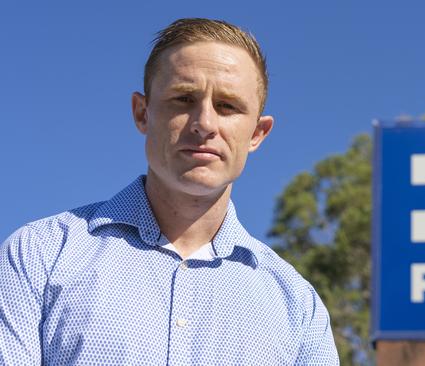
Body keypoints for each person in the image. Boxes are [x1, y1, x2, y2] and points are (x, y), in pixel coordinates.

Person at [0, 18, 339, 365]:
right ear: (142, 113)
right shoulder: (39, 256)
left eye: (227, 106)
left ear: (257, 133)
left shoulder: (297, 307)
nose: (204, 123)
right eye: (183, 99)